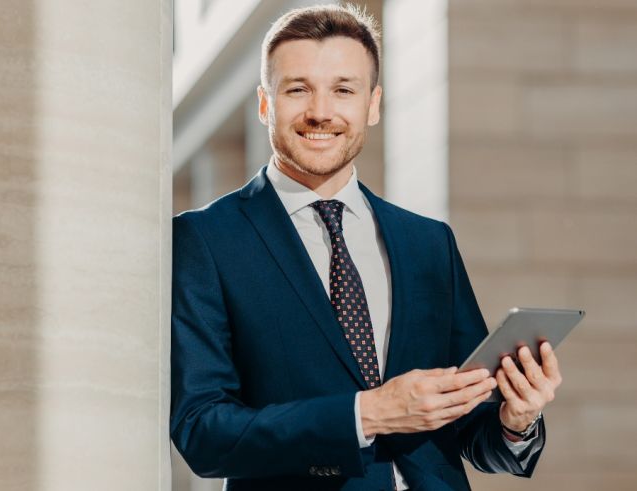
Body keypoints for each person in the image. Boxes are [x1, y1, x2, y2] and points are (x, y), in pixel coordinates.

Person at [170, 4, 561, 490]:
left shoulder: (428, 242)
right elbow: (202, 431)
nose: (320, 112)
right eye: (297, 89)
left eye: (343, 90)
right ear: (265, 104)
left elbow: (470, 427)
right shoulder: (205, 240)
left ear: (372, 104)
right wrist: (367, 414)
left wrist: (515, 418)